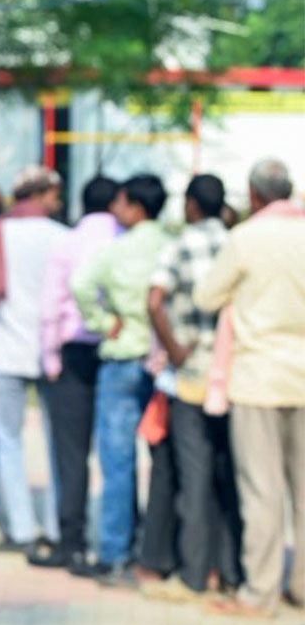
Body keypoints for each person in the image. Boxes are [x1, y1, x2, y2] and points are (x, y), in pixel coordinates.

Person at [194, 157, 305, 616]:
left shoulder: (245, 238)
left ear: (255, 195)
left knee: (262, 491)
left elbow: (206, 297)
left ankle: (259, 592)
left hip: (258, 376)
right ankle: (299, 587)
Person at [141, 173, 243, 604]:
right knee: (230, 473)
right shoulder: (239, 245)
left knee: (194, 473)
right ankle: (231, 569)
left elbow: (153, 300)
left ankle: (196, 571)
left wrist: (175, 348)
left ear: (191, 205)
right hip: (235, 375)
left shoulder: (179, 246)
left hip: (192, 377)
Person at [72, 172, 177, 587]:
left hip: (121, 357)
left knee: (117, 461)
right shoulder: (170, 245)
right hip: (163, 361)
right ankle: (155, 549)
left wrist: (101, 321)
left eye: (121, 202)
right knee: (165, 463)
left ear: (136, 205)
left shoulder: (117, 249)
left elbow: (79, 284)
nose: (116, 210)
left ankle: (115, 552)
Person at [32, 175, 121, 574]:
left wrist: (49, 356)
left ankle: (72, 540)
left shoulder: (67, 241)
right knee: (117, 453)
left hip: (73, 352)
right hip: (117, 349)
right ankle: (119, 543)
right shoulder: (125, 239)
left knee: (71, 452)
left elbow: (51, 302)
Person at [0, 165, 66, 558]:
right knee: (55, 441)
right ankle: (56, 524)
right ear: (43, 194)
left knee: (9, 441)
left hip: (7, 351)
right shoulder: (63, 237)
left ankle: (20, 527)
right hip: (53, 353)